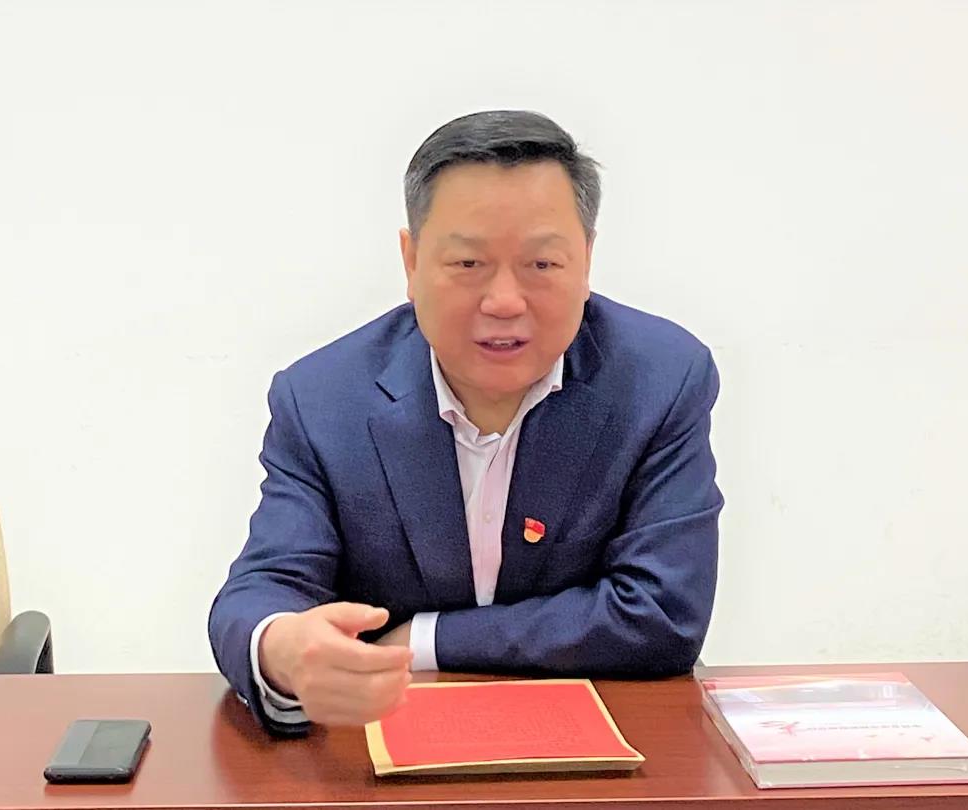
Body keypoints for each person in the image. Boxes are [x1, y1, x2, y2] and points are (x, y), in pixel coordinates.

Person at [208, 110, 723, 736]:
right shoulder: (323, 399)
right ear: (411, 261)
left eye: (542, 265)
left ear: (587, 259)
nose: (504, 301)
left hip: (609, 747)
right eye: (468, 264)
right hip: (380, 746)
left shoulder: (661, 379)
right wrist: (283, 649)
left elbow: (662, 614)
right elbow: (262, 589)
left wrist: (426, 639)